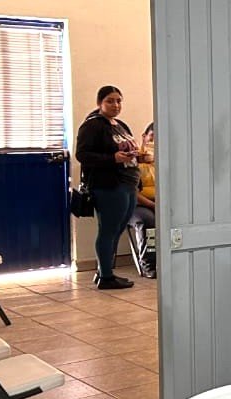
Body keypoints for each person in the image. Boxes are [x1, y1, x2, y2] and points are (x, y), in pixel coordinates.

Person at [76, 85, 139, 289]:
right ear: (99, 103)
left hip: (128, 183)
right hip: (109, 186)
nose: (115, 105)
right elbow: (82, 155)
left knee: (117, 229)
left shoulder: (120, 125)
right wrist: (112, 158)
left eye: (119, 101)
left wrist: (139, 156)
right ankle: (106, 277)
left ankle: (104, 270)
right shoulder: (92, 125)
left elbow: (129, 149)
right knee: (108, 230)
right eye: (110, 101)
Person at [131, 123, 156, 277]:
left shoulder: (165, 160)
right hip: (138, 204)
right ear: (144, 137)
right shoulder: (133, 160)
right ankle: (149, 264)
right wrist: (153, 205)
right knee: (149, 221)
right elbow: (132, 193)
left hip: (161, 203)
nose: (154, 143)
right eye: (152, 137)